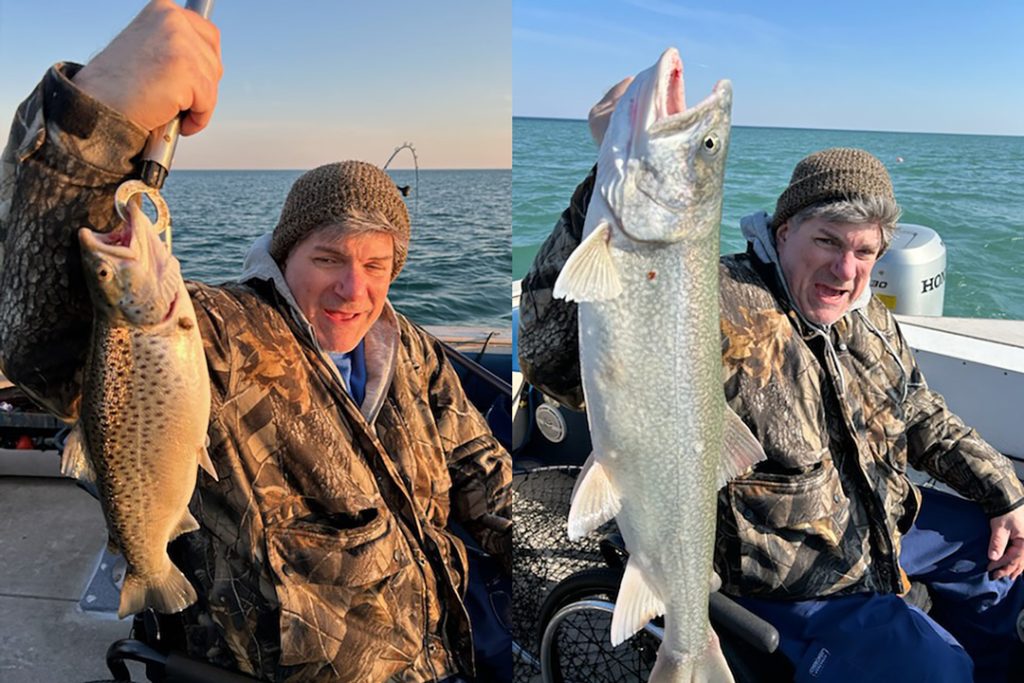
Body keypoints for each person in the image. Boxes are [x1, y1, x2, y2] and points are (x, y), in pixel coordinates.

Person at [0, 2, 511, 682]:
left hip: (450, 648)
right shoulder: (224, 330)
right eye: (328, 257)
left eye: (377, 265)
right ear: (284, 252)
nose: (352, 289)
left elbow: (483, 471)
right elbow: (46, 337)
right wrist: (95, 118)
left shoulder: (412, 351)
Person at [518, 83, 1024, 683]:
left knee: (1008, 578)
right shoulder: (717, 297)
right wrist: (604, 178)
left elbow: (921, 414)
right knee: (936, 671)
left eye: (865, 251)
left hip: (887, 528)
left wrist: (1005, 491)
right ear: (784, 231)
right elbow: (550, 356)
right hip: (796, 580)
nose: (846, 270)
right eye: (828, 241)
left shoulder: (868, 315)